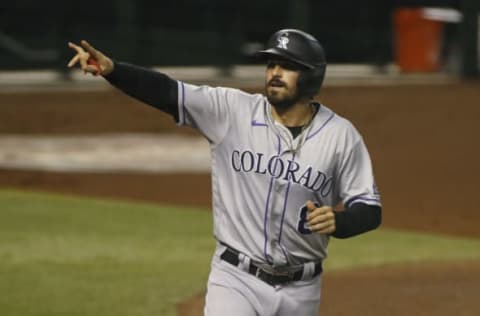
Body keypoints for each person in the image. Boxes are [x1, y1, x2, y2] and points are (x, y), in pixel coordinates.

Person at [68, 29, 382, 316]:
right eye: (271, 64)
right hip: (236, 280)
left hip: (302, 291)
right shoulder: (232, 111)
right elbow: (167, 92)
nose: (274, 73)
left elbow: (369, 209)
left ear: (312, 76)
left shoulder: (341, 136)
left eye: (287, 66)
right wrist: (113, 70)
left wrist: (339, 221)